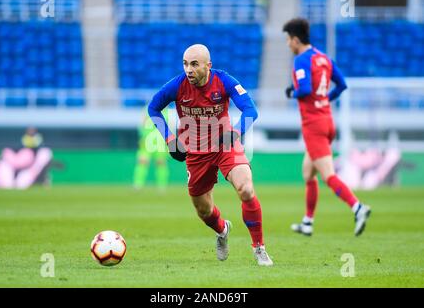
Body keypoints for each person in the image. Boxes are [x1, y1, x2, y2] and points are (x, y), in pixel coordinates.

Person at [148, 44, 273, 266]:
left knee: (246, 188)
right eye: (185, 64)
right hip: (195, 153)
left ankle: (259, 248)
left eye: (194, 64)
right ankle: (223, 230)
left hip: (225, 145)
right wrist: (169, 139)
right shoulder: (177, 86)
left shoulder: (224, 81)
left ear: (208, 66)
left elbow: (250, 110)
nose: (189, 69)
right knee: (203, 210)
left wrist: (235, 133)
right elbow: (153, 108)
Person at [282, 18, 371, 237]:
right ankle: (308, 222)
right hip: (328, 122)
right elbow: (342, 84)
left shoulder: (301, 60)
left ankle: (358, 207)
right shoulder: (324, 58)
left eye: (287, 40)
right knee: (308, 172)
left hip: (313, 125)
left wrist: (290, 92)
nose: (287, 45)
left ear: (295, 39)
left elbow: (303, 89)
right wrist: (325, 99)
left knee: (328, 176)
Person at [133, 106, 169, 191]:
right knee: (142, 161)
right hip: (146, 141)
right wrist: (142, 135)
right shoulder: (147, 109)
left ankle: (162, 186)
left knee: (161, 163)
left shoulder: (167, 112)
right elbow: (142, 124)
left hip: (160, 142)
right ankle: (138, 185)